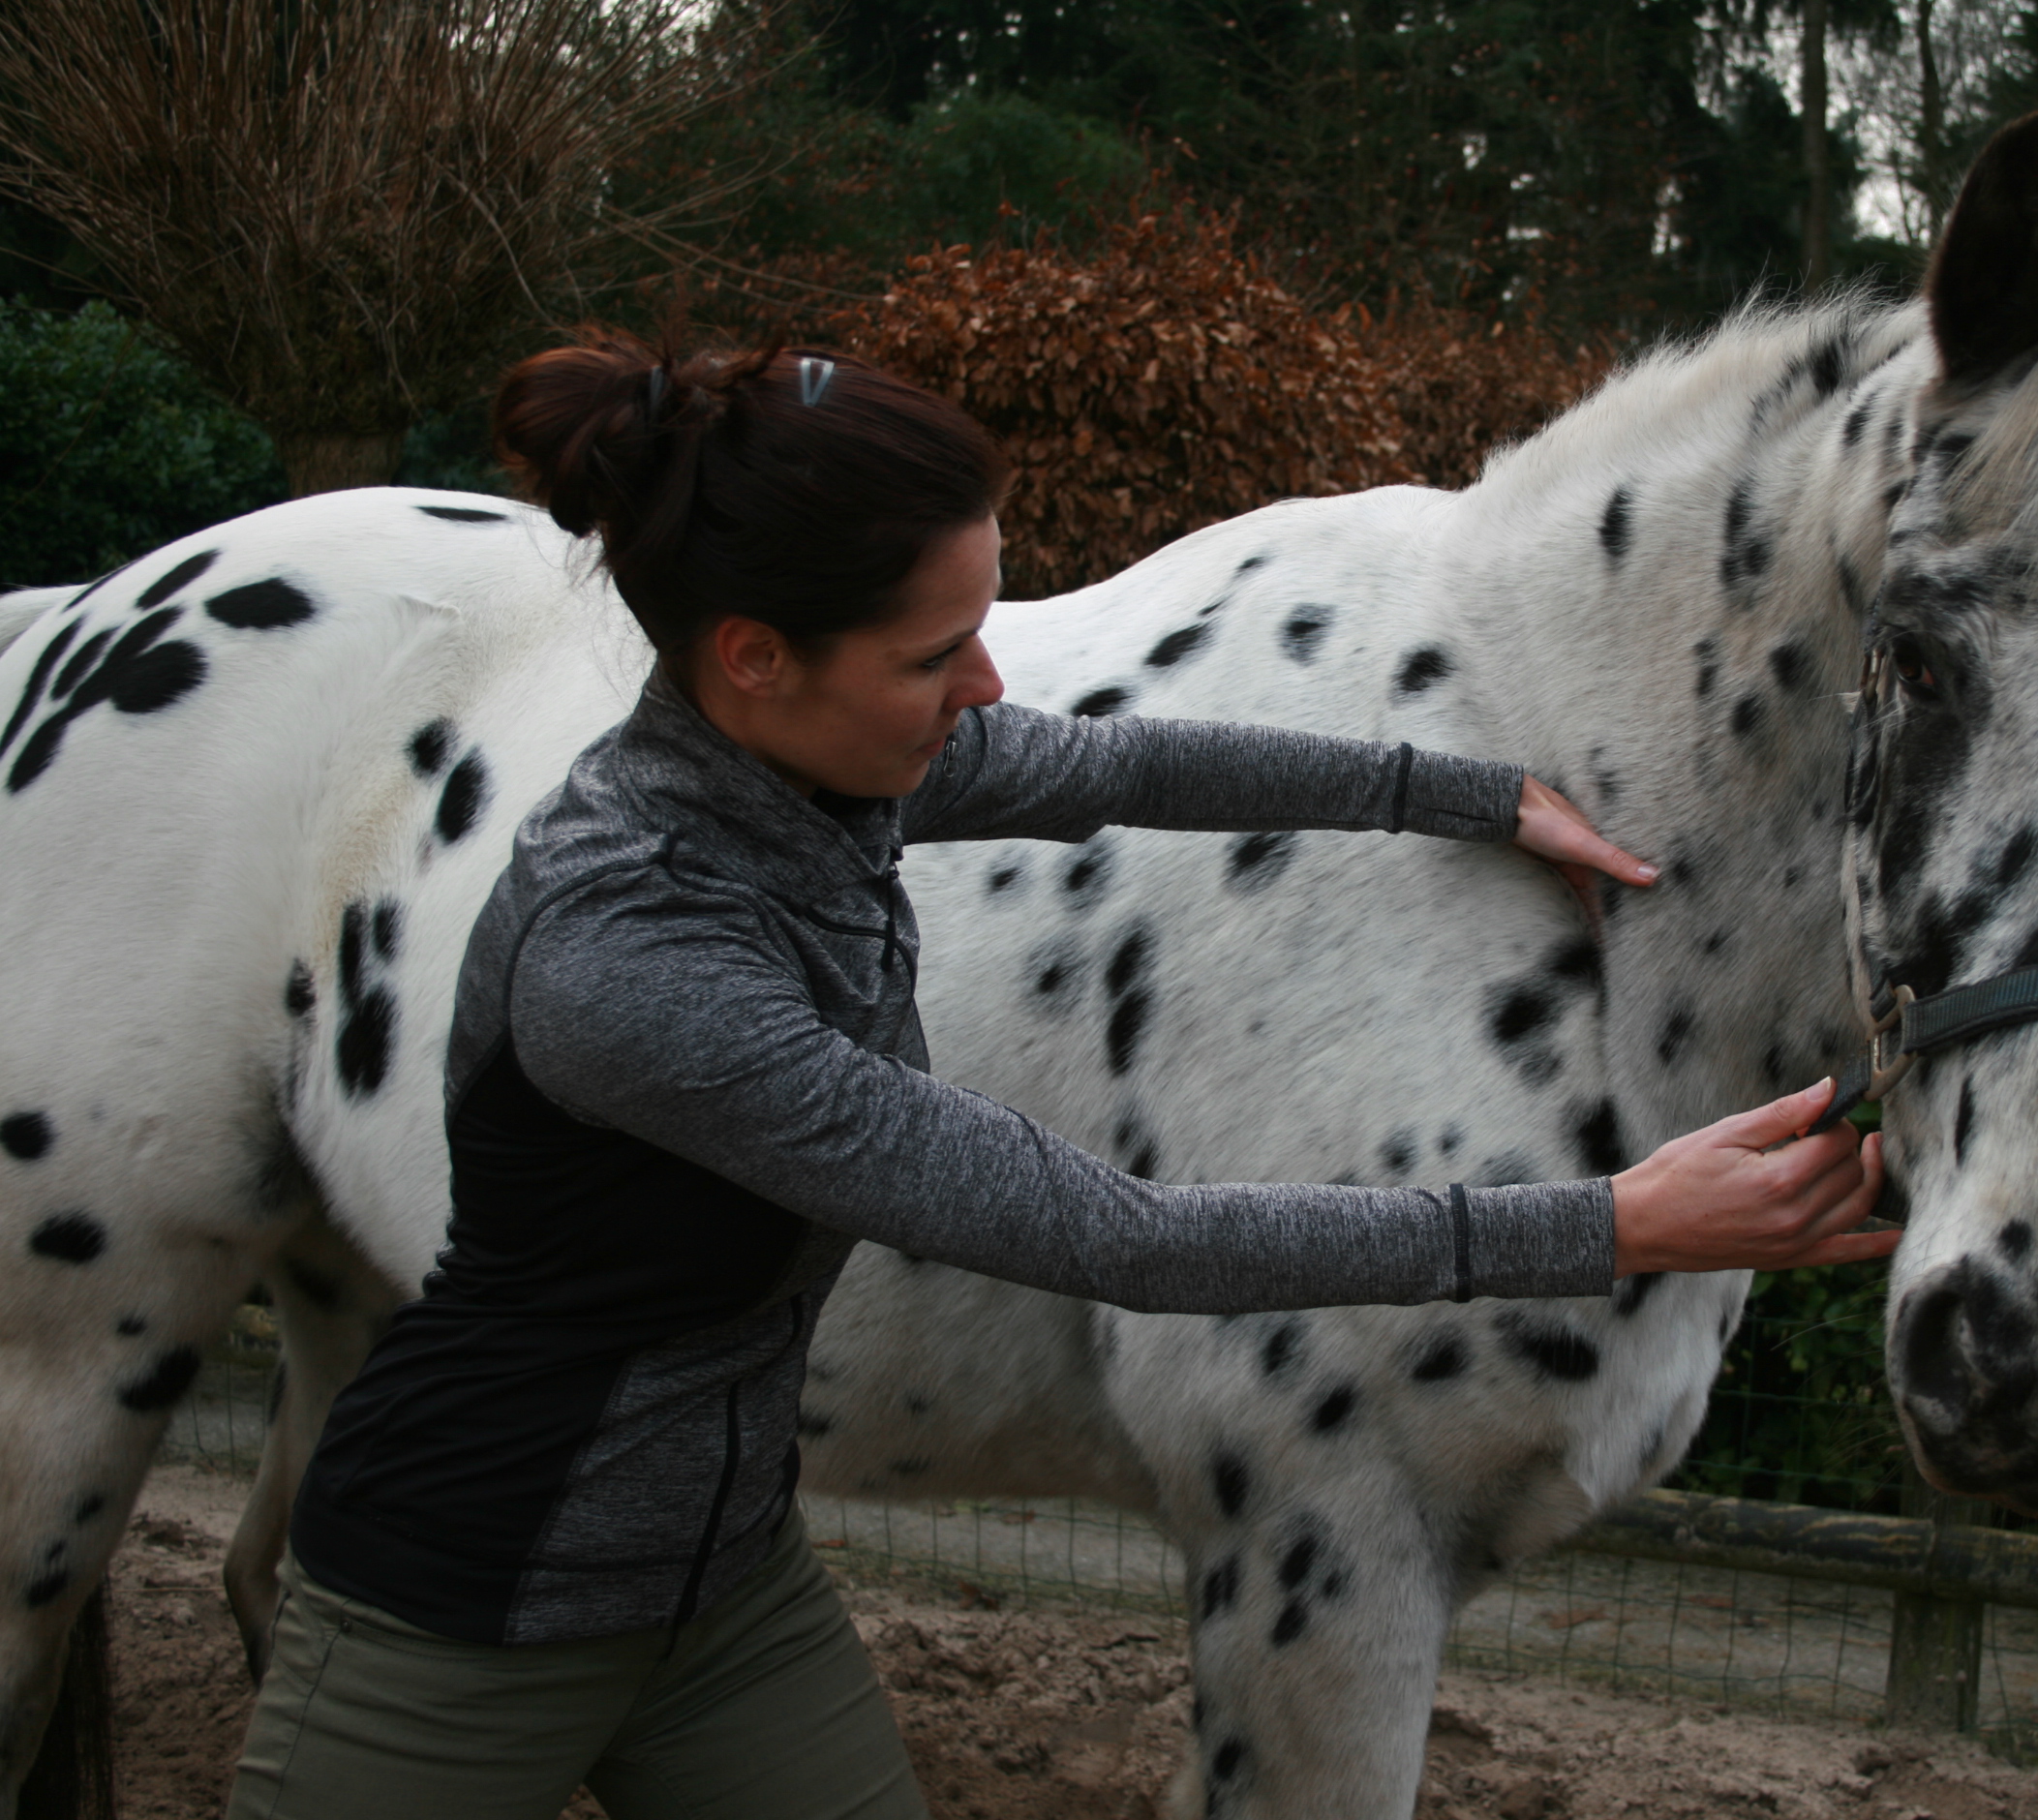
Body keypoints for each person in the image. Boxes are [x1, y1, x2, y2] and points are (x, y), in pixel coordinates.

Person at [227, 332, 1895, 1820]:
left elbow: (1129, 759)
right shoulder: (640, 963)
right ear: (752, 657)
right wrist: (1612, 1224)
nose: (986, 685)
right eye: (935, 652)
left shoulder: (828, 770)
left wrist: (1467, 792)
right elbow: (1119, 1238)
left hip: (723, 1589)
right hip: (471, 1601)